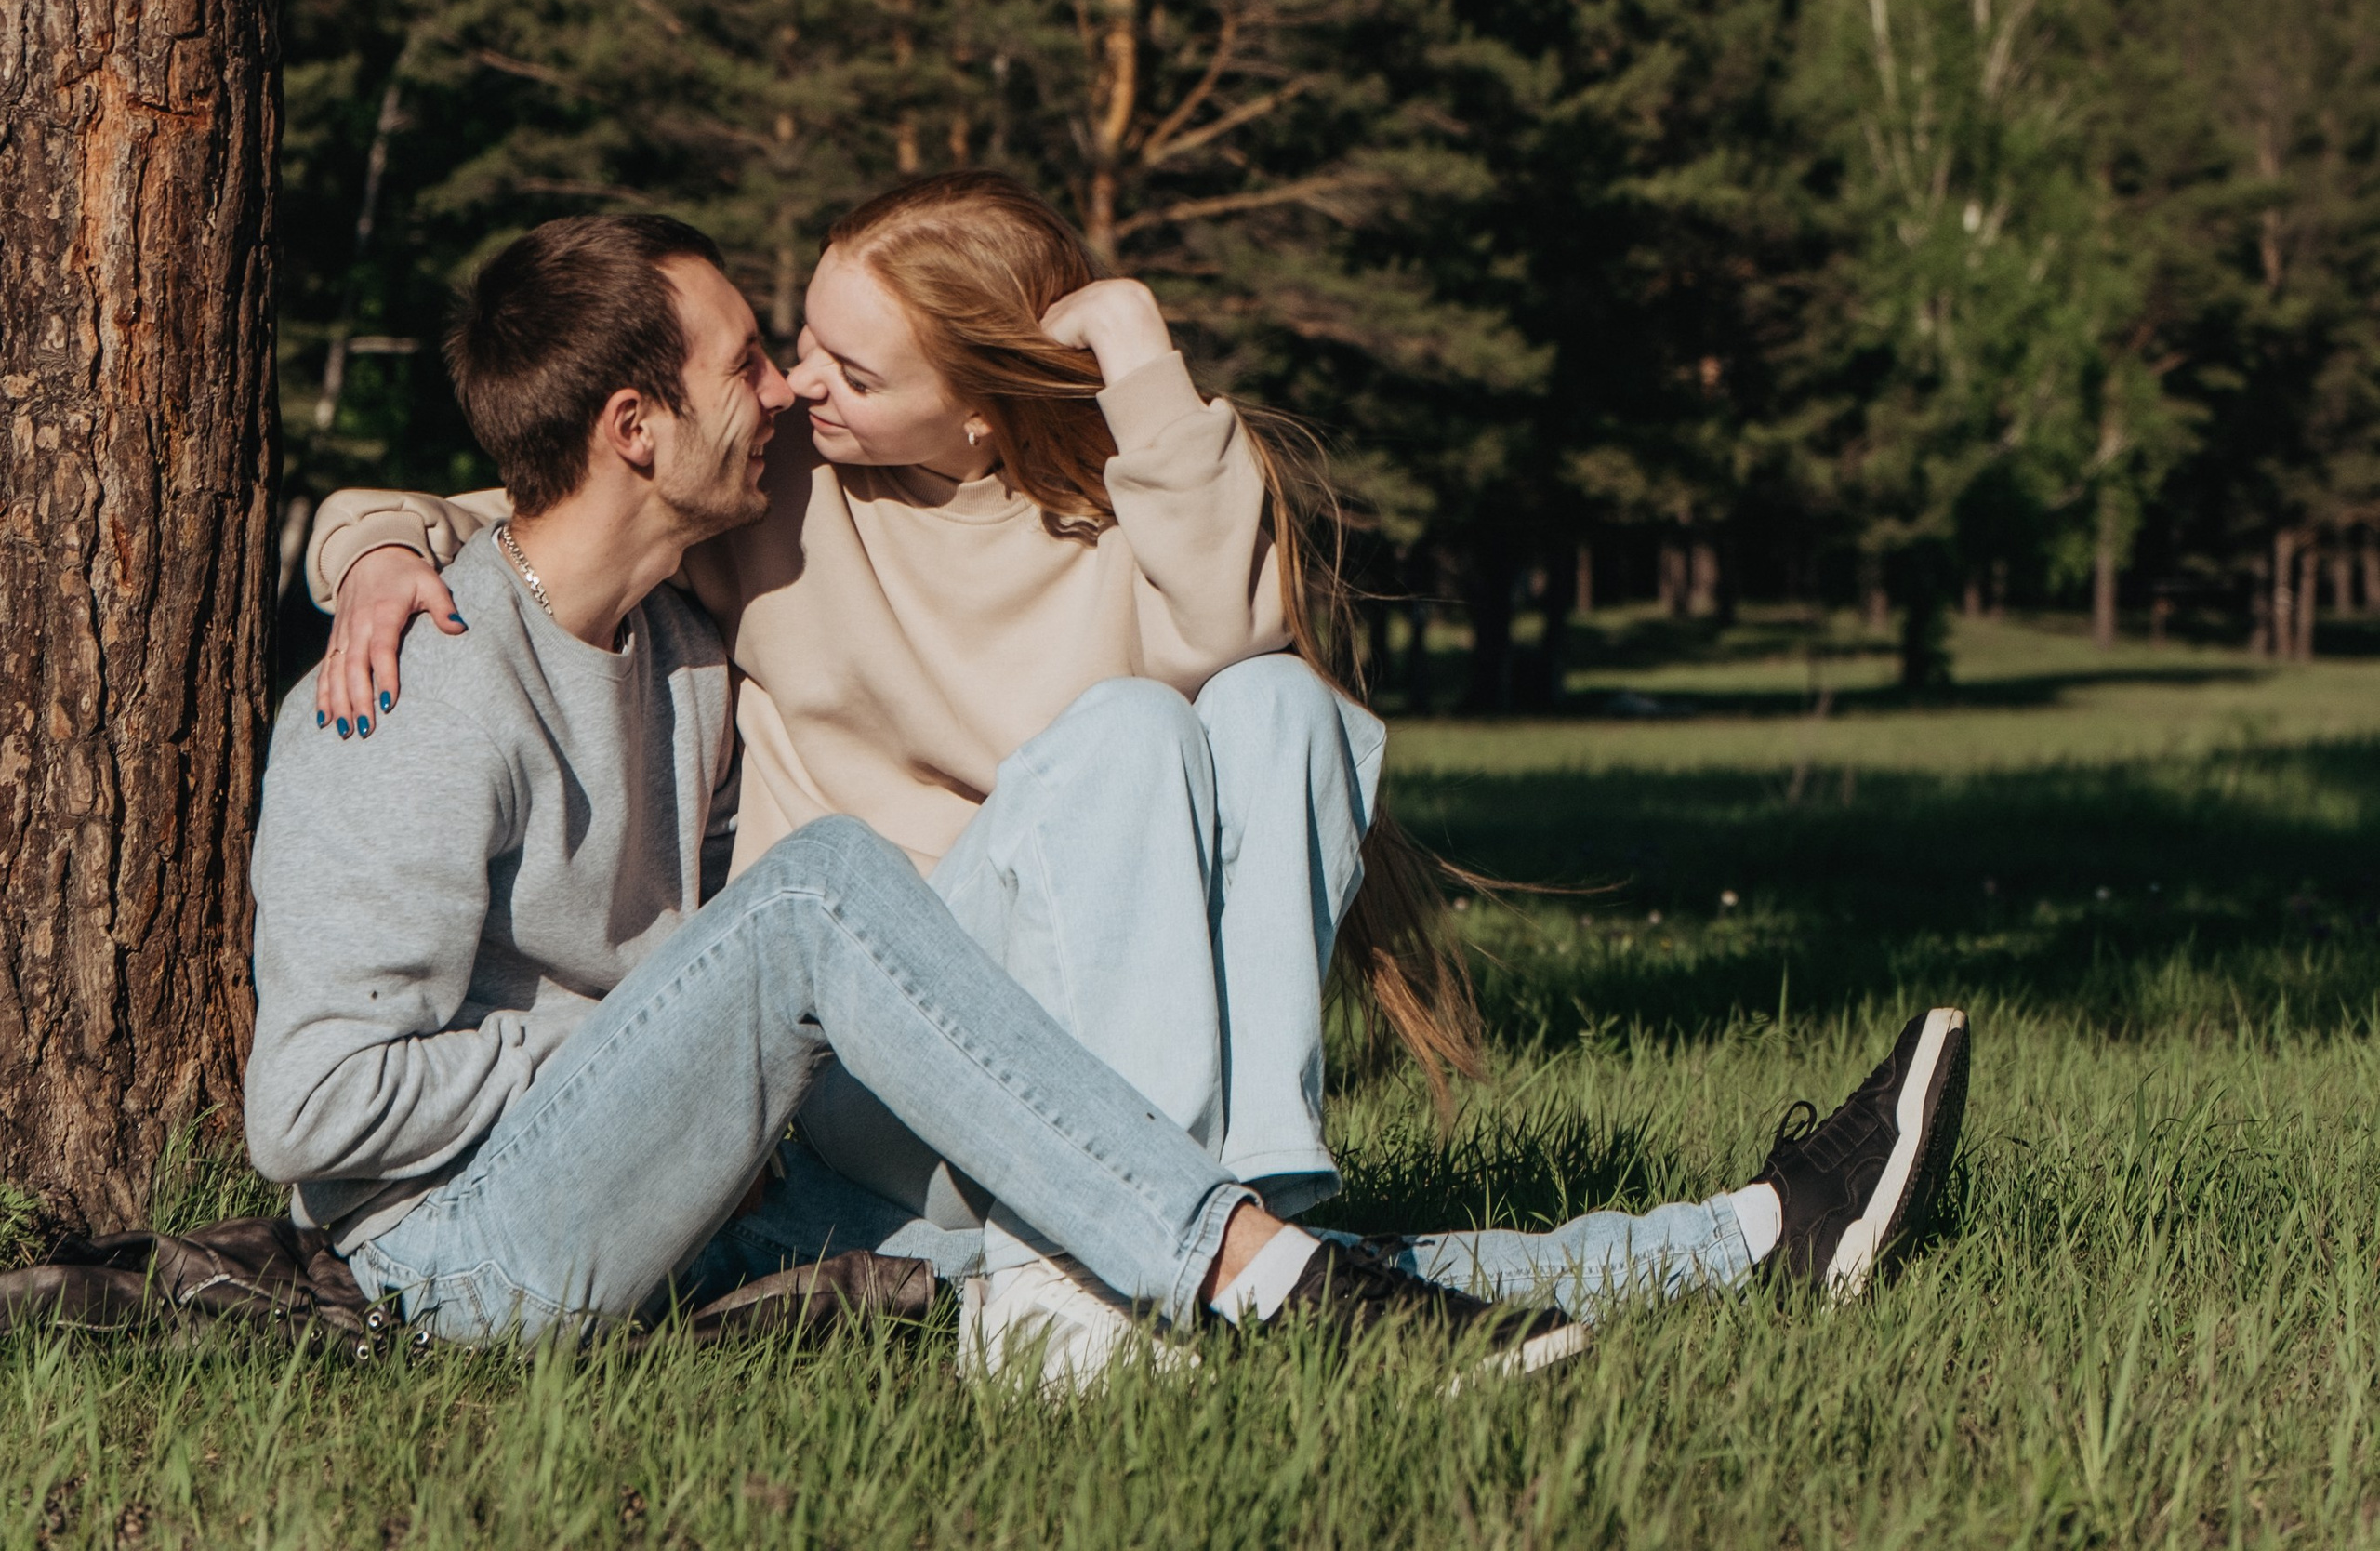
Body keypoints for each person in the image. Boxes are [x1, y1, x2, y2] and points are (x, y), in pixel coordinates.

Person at [292, 200, 1971, 1374]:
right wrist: (682, 1018)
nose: (788, 389)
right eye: (757, 357)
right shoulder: (423, 673)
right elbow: (308, 1112)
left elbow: (542, 505)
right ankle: (1233, 1262)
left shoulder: (672, 627)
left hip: (748, 1176)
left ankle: (1751, 1235)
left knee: (1161, 1179)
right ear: (649, 427)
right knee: (838, 896)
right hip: (481, 1251)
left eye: (811, 362)